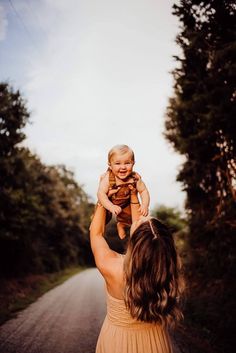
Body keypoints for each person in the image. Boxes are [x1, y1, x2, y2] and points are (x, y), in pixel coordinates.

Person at [90, 183, 184, 353]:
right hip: (156, 345)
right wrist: (133, 193)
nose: (139, 218)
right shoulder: (166, 271)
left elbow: (95, 233)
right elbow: (140, 231)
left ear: (135, 243)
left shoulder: (112, 267)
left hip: (117, 343)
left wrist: (102, 198)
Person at [97, 144, 150, 239]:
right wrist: (110, 206)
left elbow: (143, 191)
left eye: (127, 163)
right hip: (109, 203)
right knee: (99, 220)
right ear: (110, 165)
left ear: (133, 163)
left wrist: (145, 205)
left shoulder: (134, 178)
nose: (123, 167)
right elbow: (101, 194)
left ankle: (121, 224)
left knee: (137, 218)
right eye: (117, 163)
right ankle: (97, 235)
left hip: (126, 204)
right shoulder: (108, 178)